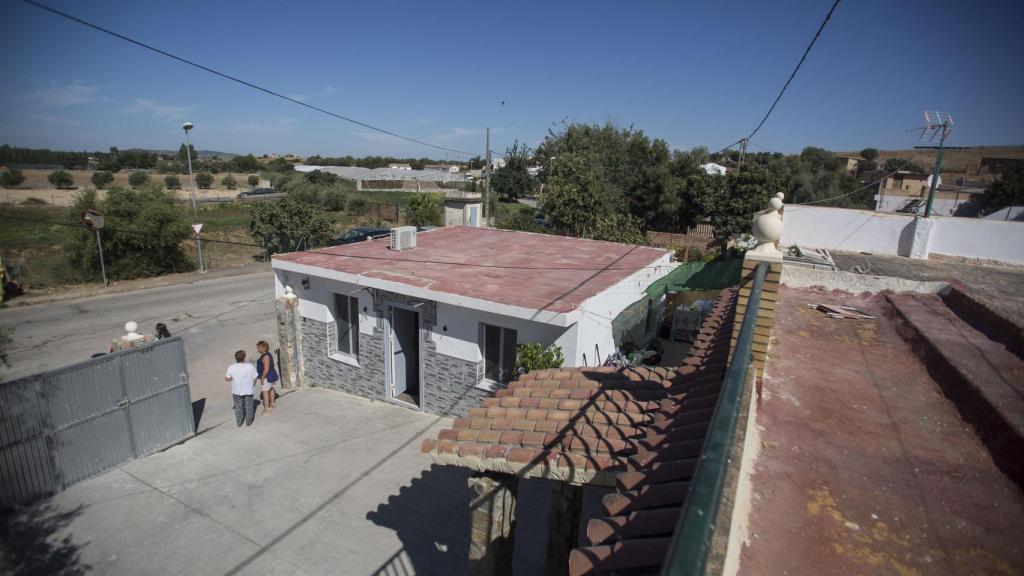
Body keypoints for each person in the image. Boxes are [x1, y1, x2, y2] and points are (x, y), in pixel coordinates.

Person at [224, 350, 258, 427]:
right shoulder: (249, 366)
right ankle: (249, 421)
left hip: (236, 391)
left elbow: (226, 378)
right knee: (249, 406)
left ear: (236, 358)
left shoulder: (231, 367)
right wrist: (252, 385)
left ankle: (239, 422)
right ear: (244, 357)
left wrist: (232, 378)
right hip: (248, 390)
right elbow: (255, 377)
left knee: (238, 406)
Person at [256, 341, 279, 414]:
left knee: (265, 392)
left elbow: (266, 369)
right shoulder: (268, 354)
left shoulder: (265, 357)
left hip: (267, 377)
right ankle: (272, 403)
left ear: (264, 348)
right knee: (271, 389)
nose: (258, 349)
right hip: (271, 375)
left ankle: (267, 409)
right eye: (257, 348)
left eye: (259, 348)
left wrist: (262, 378)